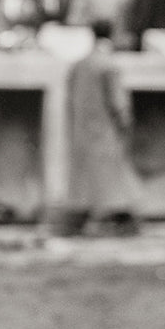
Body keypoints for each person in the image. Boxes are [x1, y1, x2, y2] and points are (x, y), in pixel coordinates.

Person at [54, 19, 142, 236]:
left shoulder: (79, 65)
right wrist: (125, 124)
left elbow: (69, 99)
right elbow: (118, 102)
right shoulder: (108, 65)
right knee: (112, 178)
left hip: (81, 129)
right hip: (105, 130)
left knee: (83, 179)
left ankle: (78, 219)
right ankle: (119, 218)